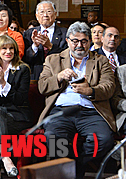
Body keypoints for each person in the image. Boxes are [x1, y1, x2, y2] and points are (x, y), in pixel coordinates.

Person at [39, 21, 115, 178]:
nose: (79, 45)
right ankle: (68, 170)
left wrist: (91, 91)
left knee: (104, 140)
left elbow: (109, 86)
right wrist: (58, 77)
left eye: (84, 41)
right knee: (53, 139)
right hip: (61, 111)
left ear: (90, 41)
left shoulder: (101, 61)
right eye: (75, 41)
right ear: (67, 41)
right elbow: (42, 86)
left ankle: (78, 164)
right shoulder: (53, 60)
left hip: (91, 111)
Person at [0, 35, 32, 179]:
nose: (8, 51)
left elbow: (20, 100)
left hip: (17, 116)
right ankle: (5, 158)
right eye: (4, 48)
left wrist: (4, 83)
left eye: (11, 49)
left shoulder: (22, 69)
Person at [22, 1, 68, 80]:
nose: (45, 15)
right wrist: (34, 46)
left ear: (55, 14)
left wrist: (50, 46)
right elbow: (25, 58)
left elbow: (67, 57)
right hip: (34, 76)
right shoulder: (28, 33)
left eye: (49, 12)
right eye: (42, 12)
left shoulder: (65, 33)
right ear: (36, 16)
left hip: (57, 75)